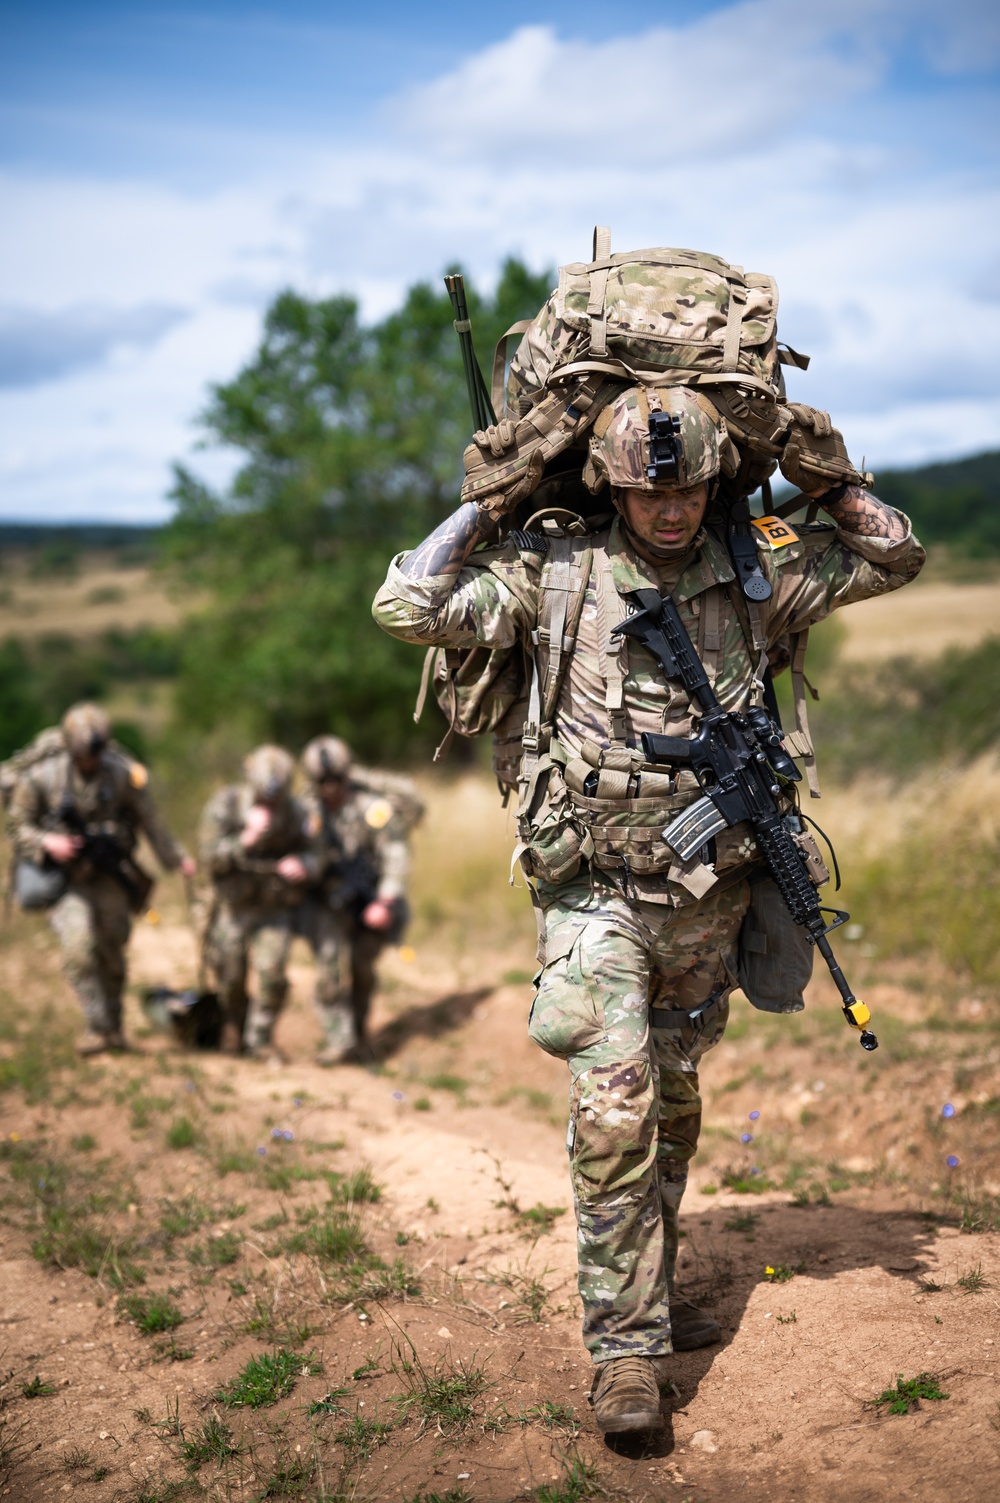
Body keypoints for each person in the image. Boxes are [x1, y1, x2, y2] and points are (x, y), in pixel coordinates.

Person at [372, 383, 925, 1433]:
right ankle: (626, 1359)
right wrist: (488, 502)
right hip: (594, 895)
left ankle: (651, 1281)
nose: (668, 512)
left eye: (686, 492)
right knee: (614, 1104)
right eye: (642, 491)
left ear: (715, 482)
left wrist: (827, 473)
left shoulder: (755, 572)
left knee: (669, 1107)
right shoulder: (556, 572)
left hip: (711, 889)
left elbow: (895, 557)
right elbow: (405, 606)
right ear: (610, 484)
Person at [6, 702, 195, 1055]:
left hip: (110, 876)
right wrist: (47, 841)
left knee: (112, 950)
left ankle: (114, 1025)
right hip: (67, 878)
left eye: (96, 754)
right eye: (82, 755)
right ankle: (96, 1028)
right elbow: (18, 823)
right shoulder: (43, 777)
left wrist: (178, 860)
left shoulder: (121, 775)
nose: (90, 762)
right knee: (78, 949)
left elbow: (150, 820)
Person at [298, 736, 420, 1065]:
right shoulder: (308, 811)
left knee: (361, 969)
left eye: (337, 779)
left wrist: (385, 901)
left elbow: (396, 854)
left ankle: (359, 1033)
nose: (330, 788)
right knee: (328, 971)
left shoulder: (372, 809)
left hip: (370, 901)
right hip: (328, 902)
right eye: (323, 781)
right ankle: (340, 1041)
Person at [198, 744, 322, 1060]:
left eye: (277, 796)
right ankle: (233, 1026)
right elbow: (209, 858)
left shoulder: (299, 813)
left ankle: (260, 1037)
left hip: (273, 908)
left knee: (273, 973)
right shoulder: (225, 806)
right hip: (233, 908)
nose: (271, 802)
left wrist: (304, 864)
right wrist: (245, 839)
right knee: (230, 975)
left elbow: (319, 853)